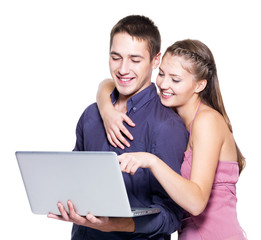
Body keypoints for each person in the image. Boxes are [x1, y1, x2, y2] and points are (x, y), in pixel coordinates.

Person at [48, 15, 189, 240]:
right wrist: (66, 203)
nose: (123, 69)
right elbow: (74, 178)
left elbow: (172, 215)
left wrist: (117, 225)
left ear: (155, 61)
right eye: (116, 57)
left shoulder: (167, 125)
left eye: (135, 59)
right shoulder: (92, 115)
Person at [96, 39, 247, 239]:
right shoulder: (171, 111)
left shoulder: (207, 122)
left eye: (175, 80)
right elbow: (108, 83)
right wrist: (107, 110)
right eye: (161, 74)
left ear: (200, 85)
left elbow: (196, 203)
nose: (163, 84)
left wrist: (151, 161)